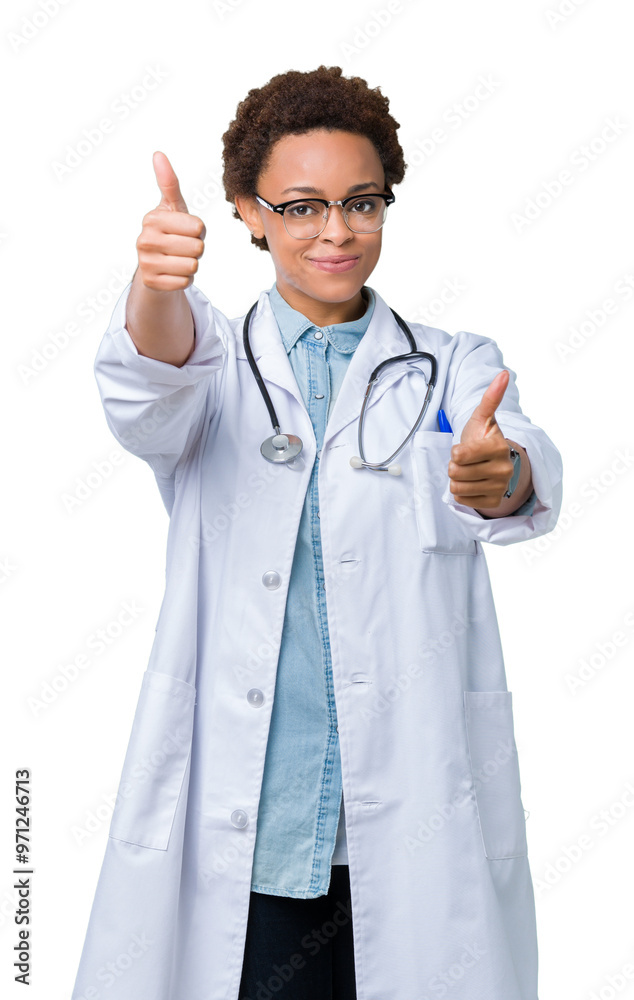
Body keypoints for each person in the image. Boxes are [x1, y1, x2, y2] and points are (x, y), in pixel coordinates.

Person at [72, 66, 562, 1000]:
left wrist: (499, 476)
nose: (336, 232)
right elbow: (147, 381)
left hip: (412, 826)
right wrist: (154, 285)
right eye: (300, 208)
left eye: (361, 202)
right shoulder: (213, 366)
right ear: (249, 214)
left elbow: (516, 459)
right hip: (252, 836)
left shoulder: (451, 368)